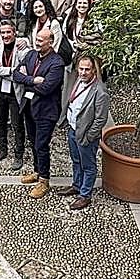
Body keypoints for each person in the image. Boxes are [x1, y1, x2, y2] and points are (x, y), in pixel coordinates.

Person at [13, 26, 66, 199]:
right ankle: (37, 170)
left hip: (46, 110)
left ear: (50, 42)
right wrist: (32, 80)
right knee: (32, 141)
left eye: (41, 40)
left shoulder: (57, 63)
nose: (37, 42)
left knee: (41, 145)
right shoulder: (31, 55)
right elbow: (16, 74)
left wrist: (27, 80)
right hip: (29, 106)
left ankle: (44, 180)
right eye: (36, 39)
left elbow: (47, 88)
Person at [59, 55, 109, 209]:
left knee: (88, 165)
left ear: (94, 70)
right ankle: (76, 185)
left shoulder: (100, 92)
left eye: (87, 69)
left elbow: (100, 119)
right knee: (76, 160)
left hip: (86, 135)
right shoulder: (78, 81)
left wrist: (89, 137)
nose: (83, 72)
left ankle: (85, 195)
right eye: (81, 68)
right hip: (73, 129)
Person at [0, 19, 30, 169]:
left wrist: (4, 71)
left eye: (8, 32)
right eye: (3, 32)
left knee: (17, 124)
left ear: (14, 33)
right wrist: (12, 71)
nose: (5, 35)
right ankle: (2, 148)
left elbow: (24, 72)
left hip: (15, 93)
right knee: (0, 121)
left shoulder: (22, 48)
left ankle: (18, 154)